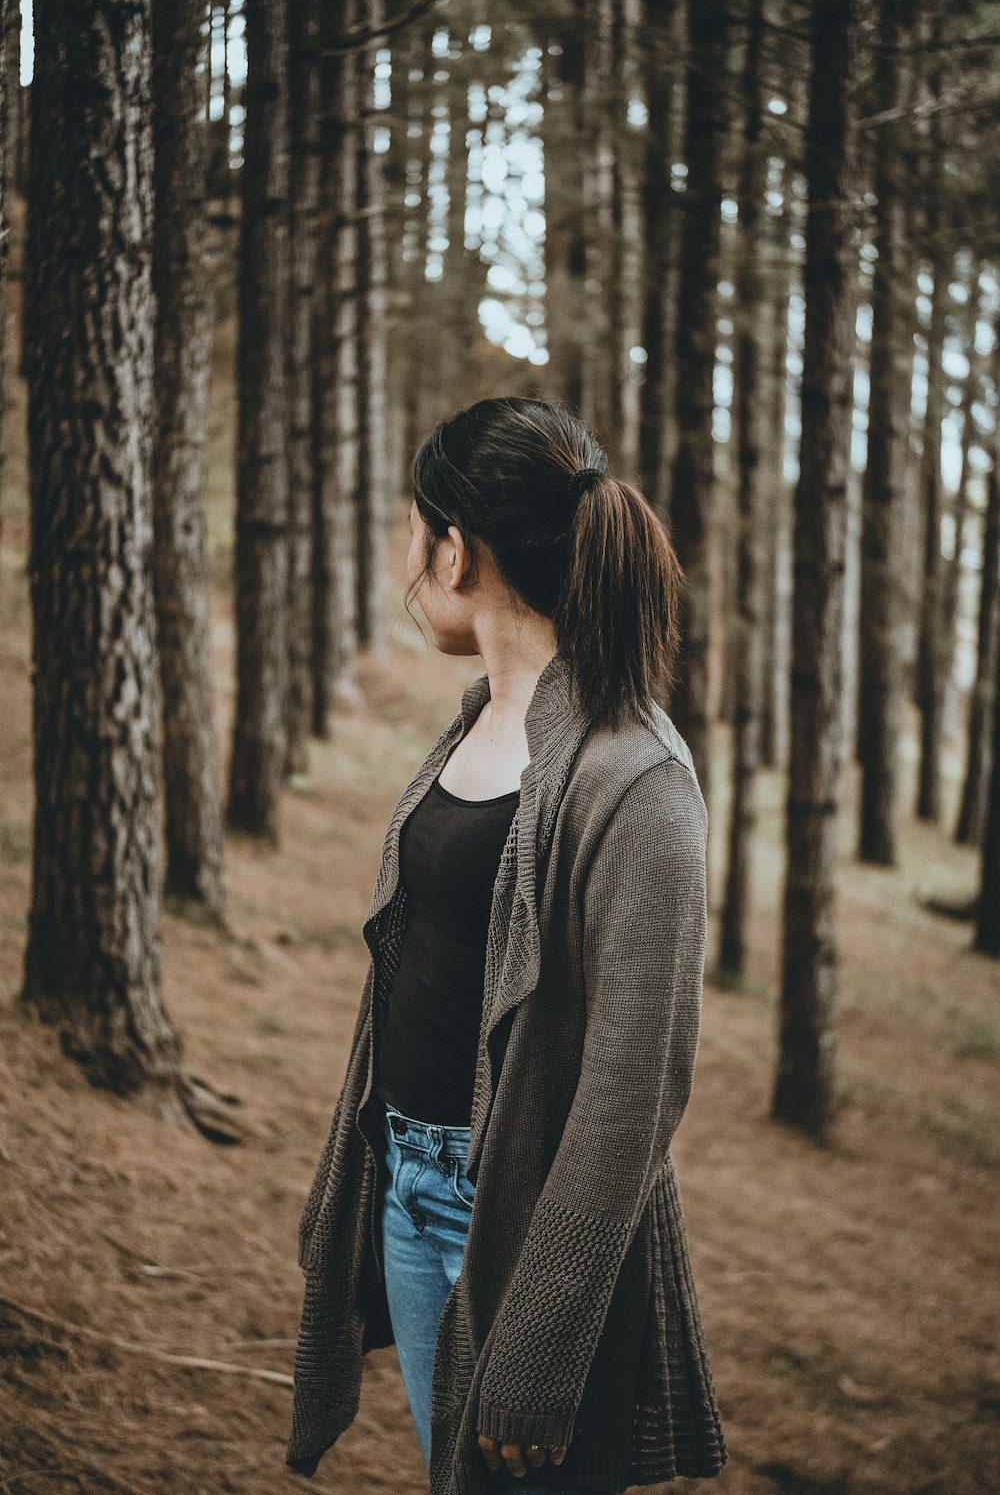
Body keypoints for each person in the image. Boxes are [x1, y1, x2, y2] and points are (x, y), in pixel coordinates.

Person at [286, 397, 728, 1494]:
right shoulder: (482, 717)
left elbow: (634, 1092)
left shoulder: (639, 779)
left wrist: (541, 1339)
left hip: (519, 1230)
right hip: (407, 1186)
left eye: (415, 530)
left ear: (456, 547)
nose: (408, 559)